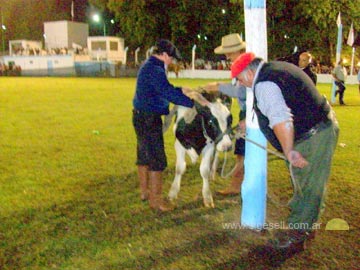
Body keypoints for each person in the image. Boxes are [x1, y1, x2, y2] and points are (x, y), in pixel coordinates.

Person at [230, 52, 339, 252]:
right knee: (308, 182)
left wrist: (289, 152)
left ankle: (296, 235)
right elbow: (285, 103)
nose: (239, 83)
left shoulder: (264, 84)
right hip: (317, 130)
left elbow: (281, 119)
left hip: (313, 136)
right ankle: (307, 226)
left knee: (308, 186)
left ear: (249, 73)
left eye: (238, 79)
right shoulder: (275, 70)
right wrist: (249, 122)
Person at [132, 39, 209, 212]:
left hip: (139, 116)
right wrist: (193, 102)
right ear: (165, 55)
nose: (172, 61)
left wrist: (180, 89)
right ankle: (156, 201)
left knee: (144, 155)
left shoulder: (149, 66)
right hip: (149, 118)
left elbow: (164, 88)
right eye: (171, 58)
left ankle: (145, 192)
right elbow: (167, 92)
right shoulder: (156, 70)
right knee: (157, 159)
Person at [204, 33, 247, 196]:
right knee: (242, 152)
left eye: (230, 52)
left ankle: (236, 186)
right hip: (247, 111)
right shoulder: (241, 66)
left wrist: (218, 87)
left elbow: (242, 91)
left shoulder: (244, 67)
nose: (227, 56)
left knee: (242, 153)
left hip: (250, 113)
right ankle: (239, 185)